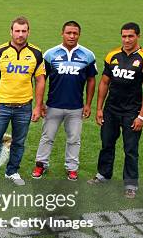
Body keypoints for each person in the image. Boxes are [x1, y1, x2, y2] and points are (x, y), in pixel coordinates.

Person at [88, 22, 143, 198]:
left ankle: (131, 184)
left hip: (131, 112)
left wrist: (141, 116)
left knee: (131, 149)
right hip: (111, 110)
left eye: (131, 36)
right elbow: (104, 82)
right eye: (124, 36)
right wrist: (99, 109)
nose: (127, 40)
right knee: (106, 144)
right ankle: (103, 175)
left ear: (138, 36)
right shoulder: (112, 55)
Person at [0, 16, 46, 187]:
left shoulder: (36, 53)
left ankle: (12, 171)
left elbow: (40, 80)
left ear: (28, 32)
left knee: (18, 142)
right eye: (17, 31)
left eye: (24, 31)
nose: (20, 34)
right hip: (0, 106)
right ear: (11, 32)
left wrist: (37, 106)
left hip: (24, 107)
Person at [31, 21, 97, 181]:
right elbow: (41, 80)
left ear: (79, 35)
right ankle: (40, 165)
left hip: (76, 108)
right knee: (47, 137)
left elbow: (91, 80)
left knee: (74, 139)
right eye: (69, 33)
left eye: (75, 33)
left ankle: (72, 168)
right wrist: (39, 105)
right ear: (62, 33)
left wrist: (88, 104)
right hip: (53, 106)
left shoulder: (88, 55)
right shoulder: (50, 54)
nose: (72, 36)